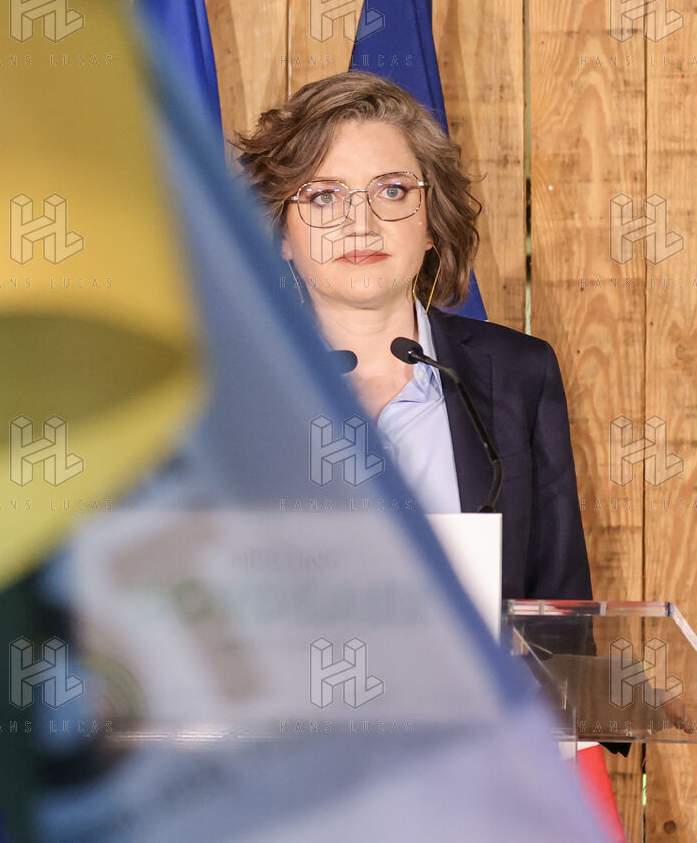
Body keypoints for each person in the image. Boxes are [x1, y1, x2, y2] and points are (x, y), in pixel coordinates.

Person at [231, 70, 592, 604]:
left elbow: (561, 612)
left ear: (430, 224)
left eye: (392, 190)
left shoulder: (519, 373)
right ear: (283, 232)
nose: (361, 224)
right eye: (325, 196)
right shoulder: (229, 388)